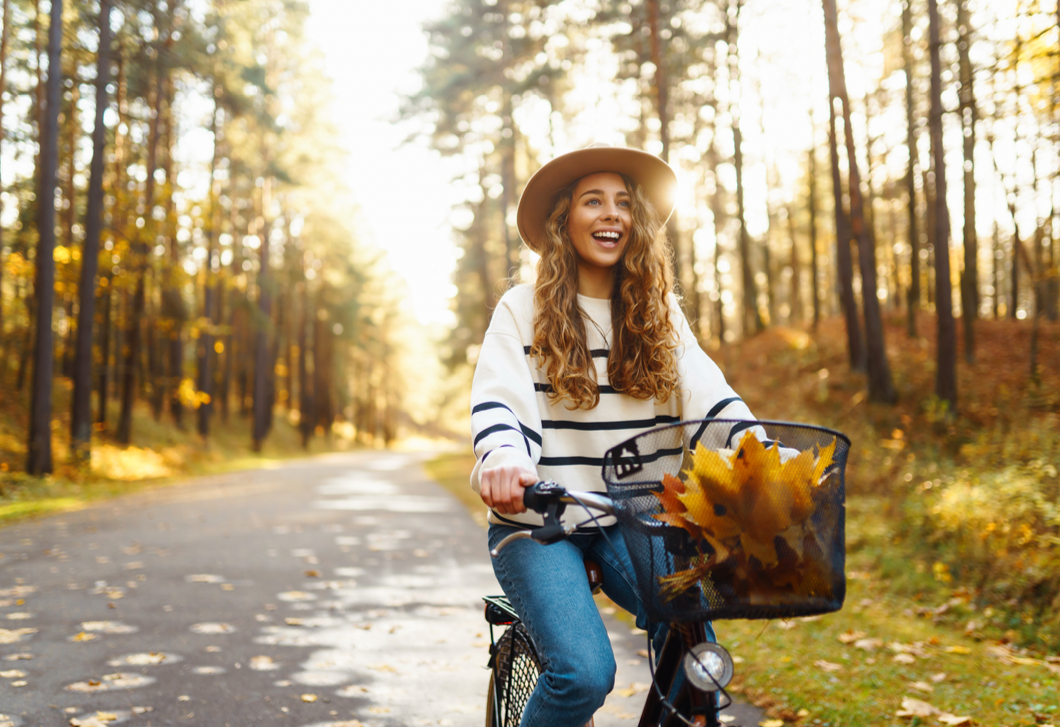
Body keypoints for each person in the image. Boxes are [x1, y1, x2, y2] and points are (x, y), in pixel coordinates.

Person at [470, 145, 754, 727]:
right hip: (540, 525)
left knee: (692, 642)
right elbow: (503, 400)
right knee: (583, 673)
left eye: (624, 203)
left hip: (634, 515)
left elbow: (709, 399)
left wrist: (758, 450)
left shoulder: (658, 313)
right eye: (593, 200)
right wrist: (503, 456)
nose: (612, 214)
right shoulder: (522, 309)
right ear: (563, 219)